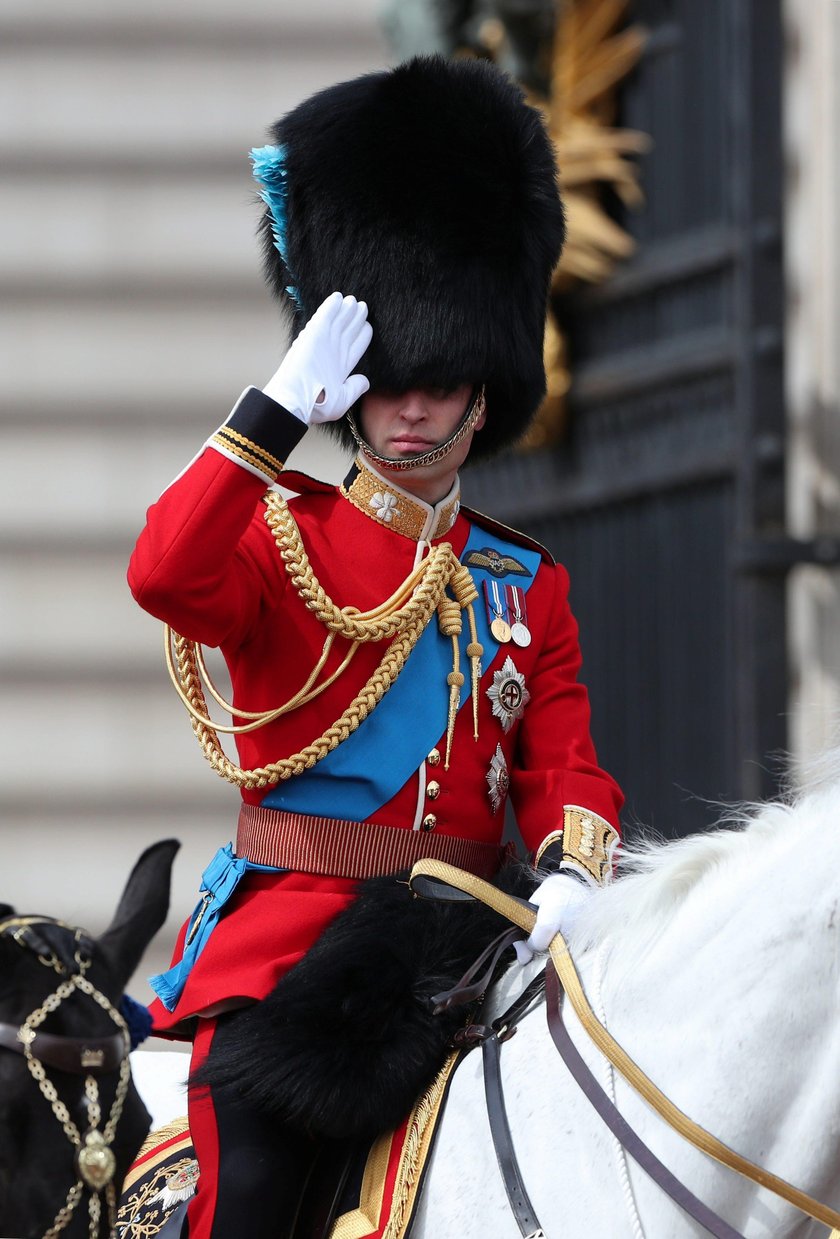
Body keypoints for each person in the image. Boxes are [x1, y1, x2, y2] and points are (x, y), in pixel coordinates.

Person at [128, 54, 622, 1238]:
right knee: (246, 1191)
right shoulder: (278, 538)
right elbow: (162, 573)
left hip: (466, 941)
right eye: (385, 381)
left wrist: (568, 865)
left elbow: (564, 759)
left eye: (436, 379)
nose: (409, 406)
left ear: (481, 396)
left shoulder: (523, 583)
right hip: (296, 946)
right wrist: (272, 413)